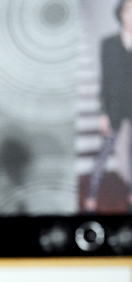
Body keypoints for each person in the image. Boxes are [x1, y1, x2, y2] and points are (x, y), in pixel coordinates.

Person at [84, 0, 132, 212]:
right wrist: (103, 112)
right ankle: (91, 197)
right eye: (129, 11)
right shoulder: (109, 43)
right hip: (114, 106)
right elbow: (105, 81)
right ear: (121, 14)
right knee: (104, 152)